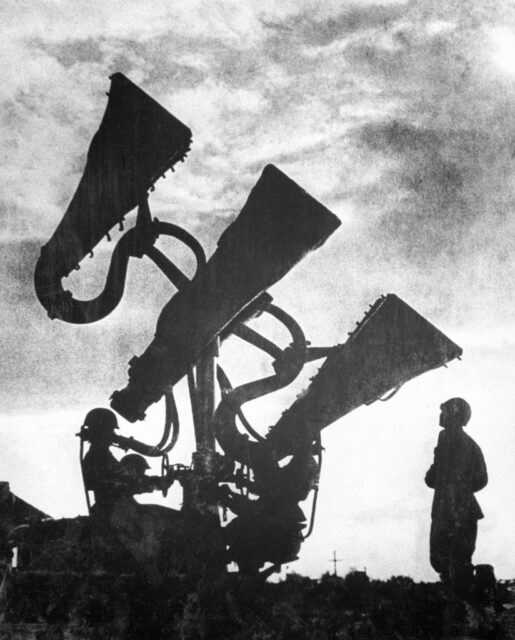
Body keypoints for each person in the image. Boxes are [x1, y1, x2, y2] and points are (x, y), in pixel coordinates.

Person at [425, 397, 488, 596]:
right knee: (452, 563)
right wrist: (461, 490)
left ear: (453, 415)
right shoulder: (462, 442)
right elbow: (481, 479)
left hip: (453, 512)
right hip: (458, 510)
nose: (440, 415)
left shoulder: (449, 439)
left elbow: (433, 478)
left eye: (444, 411)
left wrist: (455, 490)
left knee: (451, 564)